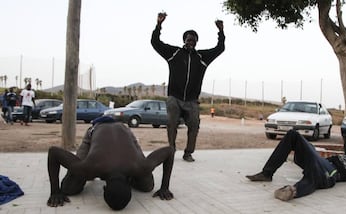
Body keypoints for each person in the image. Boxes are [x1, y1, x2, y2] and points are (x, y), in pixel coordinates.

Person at [46, 117, 175, 210]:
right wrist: (55, 192)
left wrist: (165, 187)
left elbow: (169, 151)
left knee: (147, 185)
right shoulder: (90, 167)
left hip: (123, 131)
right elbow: (53, 152)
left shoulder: (140, 166)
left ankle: (133, 176)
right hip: (96, 130)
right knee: (70, 188)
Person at [151, 12, 225, 162]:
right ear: (184, 40)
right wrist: (159, 24)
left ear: (197, 42)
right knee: (171, 124)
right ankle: (171, 149)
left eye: (194, 40)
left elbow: (220, 48)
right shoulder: (174, 53)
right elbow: (155, 42)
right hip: (174, 98)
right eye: (188, 39)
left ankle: (188, 152)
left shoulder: (202, 57)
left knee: (194, 125)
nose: (191, 42)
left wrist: (221, 31)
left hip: (191, 100)